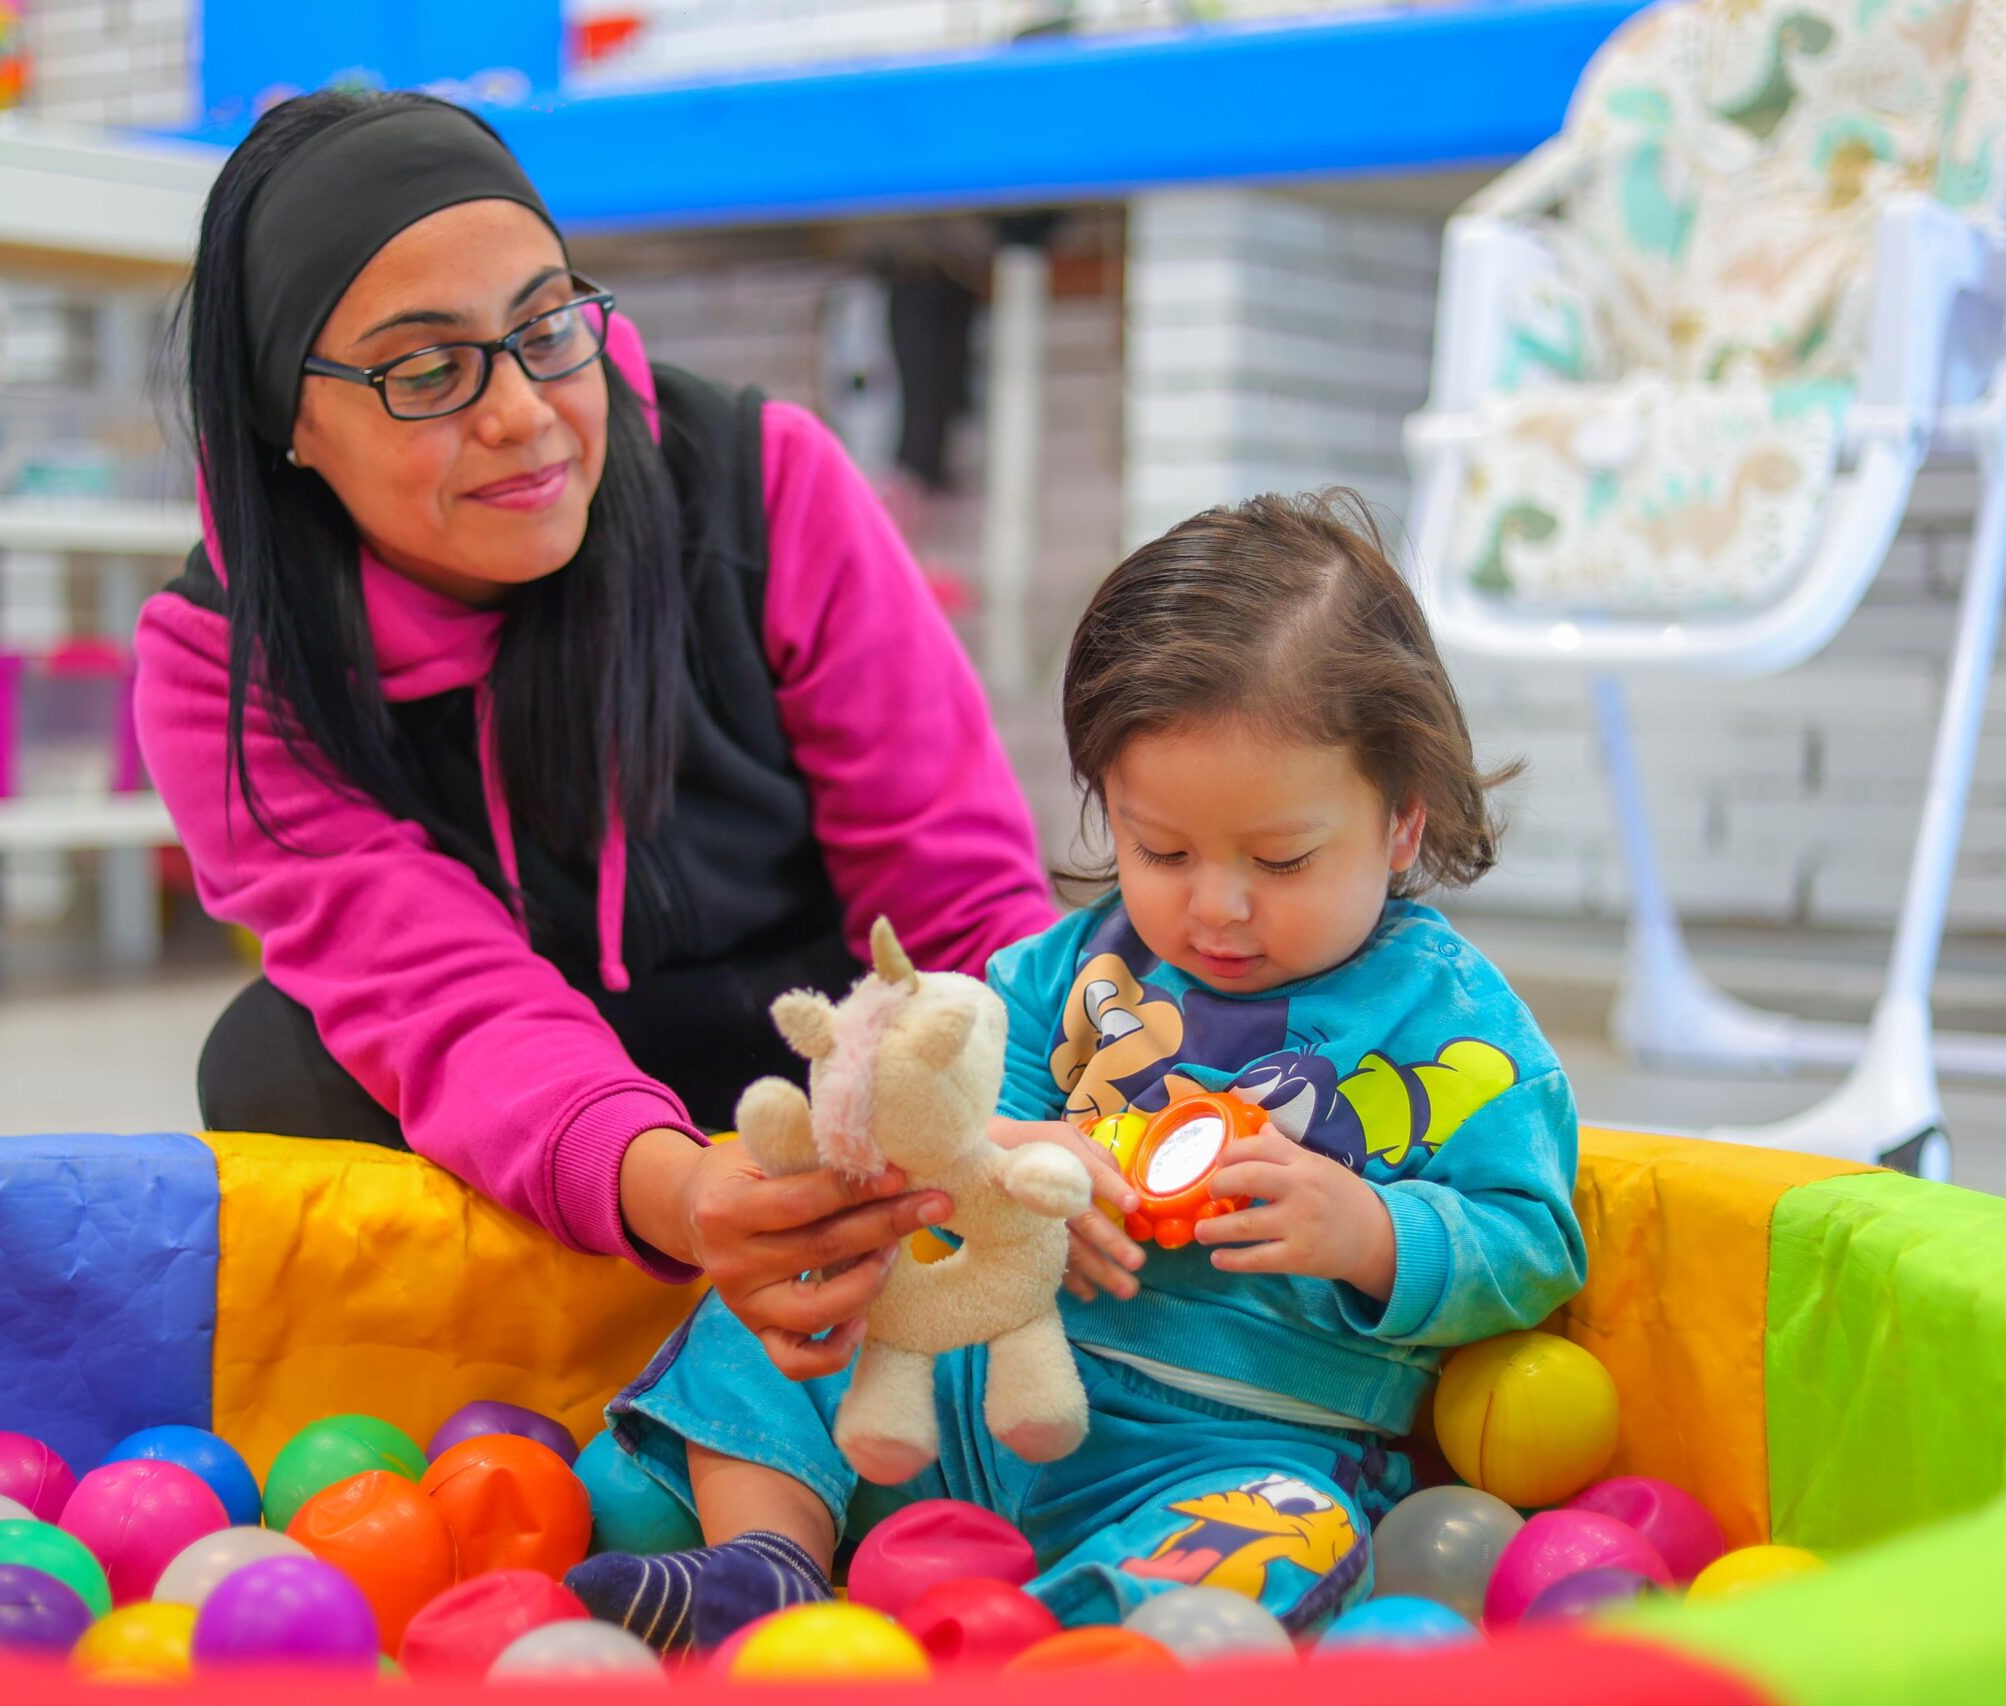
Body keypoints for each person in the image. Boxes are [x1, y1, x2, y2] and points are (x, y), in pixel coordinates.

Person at [565, 491, 1589, 1645]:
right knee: (802, 1279)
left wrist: (1370, 1232)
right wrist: (1016, 1155)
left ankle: (1044, 1642)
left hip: (1232, 1448)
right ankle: (766, 1562)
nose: (1217, 905)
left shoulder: (1457, 1029)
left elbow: (1536, 1240)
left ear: (1400, 821)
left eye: (1281, 858)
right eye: (1162, 848)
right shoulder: (1074, 970)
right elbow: (950, 1130)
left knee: (1297, 1532)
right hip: (969, 1391)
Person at [134, 90, 1061, 1352]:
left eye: (546, 326)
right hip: (539, 1092)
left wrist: (1016, 1124)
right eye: (426, 370)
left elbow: (954, 889)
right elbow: (437, 996)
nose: (521, 412)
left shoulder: (761, 481)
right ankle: (530, 1355)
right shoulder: (226, 661)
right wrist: (673, 1190)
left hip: (817, 1050)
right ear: (284, 417)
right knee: (272, 1061)